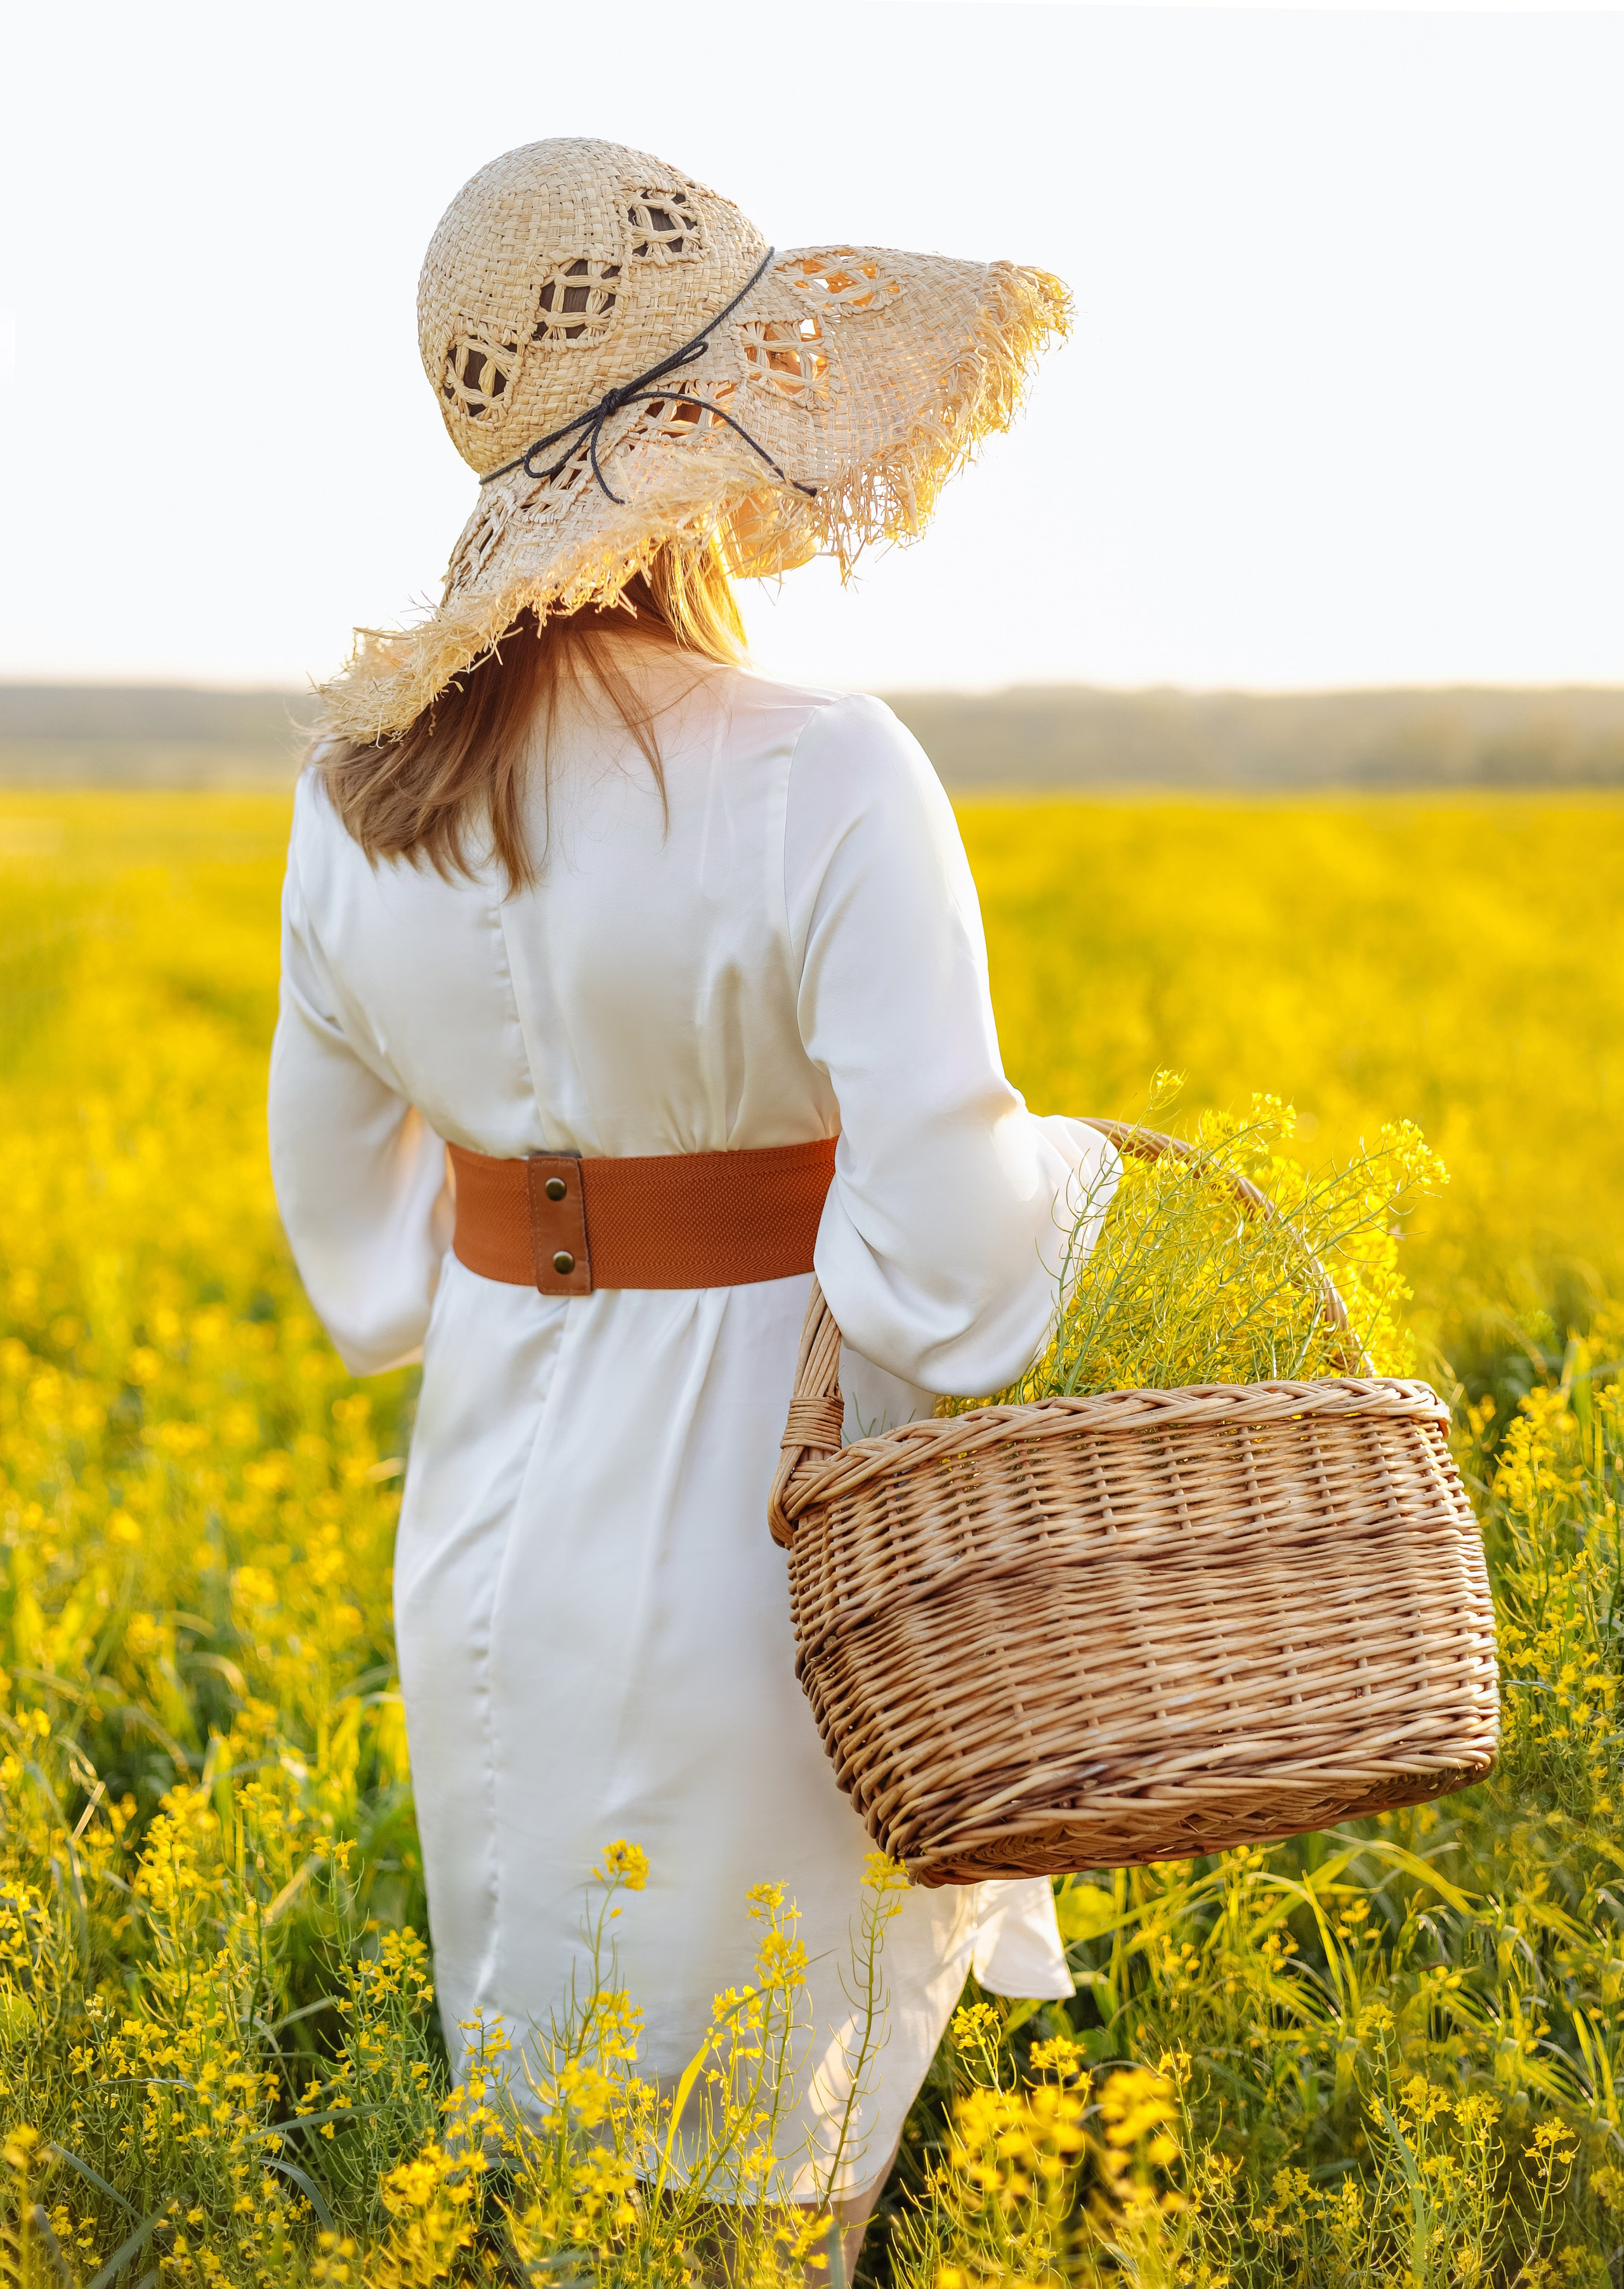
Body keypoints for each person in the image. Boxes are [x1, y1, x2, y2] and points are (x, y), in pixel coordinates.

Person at [268, 138, 1118, 2252]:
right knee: (774, 2182)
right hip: (774, 1548)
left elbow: (361, 1265)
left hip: (488, 1537)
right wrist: (1088, 1173)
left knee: (563, 2162)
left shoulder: (349, 807)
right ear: (706, 433)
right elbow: (955, 1272)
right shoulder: (826, 769)